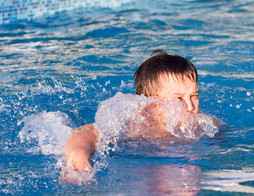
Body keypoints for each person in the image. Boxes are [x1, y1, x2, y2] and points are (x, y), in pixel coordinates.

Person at [63, 50, 213, 174]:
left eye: (194, 95)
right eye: (178, 98)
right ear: (150, 103)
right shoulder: (136, 125)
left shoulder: (202, 123)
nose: (190, 106)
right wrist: (78, 152)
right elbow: (87, 132)